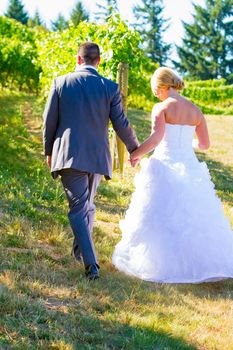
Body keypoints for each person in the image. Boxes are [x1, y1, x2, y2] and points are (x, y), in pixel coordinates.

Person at [112, 67, 233, 283]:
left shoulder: (161, 107)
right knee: (192, 217)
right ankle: (199, 263)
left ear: (162, 87)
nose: (155, 94)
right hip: (190, 166)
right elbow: (205, 144)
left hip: (165, 165)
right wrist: (187, 143)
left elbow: (156, 138)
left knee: (160, 214)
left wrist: (136, 154)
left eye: (154, 90)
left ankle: (161, 263)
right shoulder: (196, 111)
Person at [43, 42, 139, 280]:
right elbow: (121, 124)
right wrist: (134, 148)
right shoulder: (109, 87)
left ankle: (91, 264)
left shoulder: (60, 83)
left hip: (68, 155)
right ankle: (82, 253)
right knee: (85, 207)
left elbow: (49, 122)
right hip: (96, 157)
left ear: (78, 59)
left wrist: (49, 151)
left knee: (81, 209)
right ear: (99, 61)